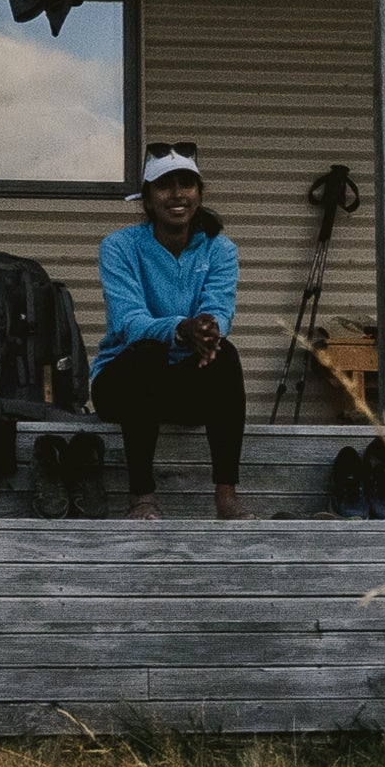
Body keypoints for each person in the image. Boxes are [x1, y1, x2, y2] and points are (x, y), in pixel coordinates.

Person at [91, 145, 244, 519]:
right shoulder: (120, 246)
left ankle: (227, 497)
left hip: (183, 385)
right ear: (146, 199)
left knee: (228, 356)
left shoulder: (220, 248)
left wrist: (209, 330)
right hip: (123, 384)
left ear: (199, 194)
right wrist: (181, 328)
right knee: (146, 352)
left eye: (187, 184)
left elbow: (220, 306)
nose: (177, 194)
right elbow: (129, 321)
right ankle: (142, 498)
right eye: (164, 186)